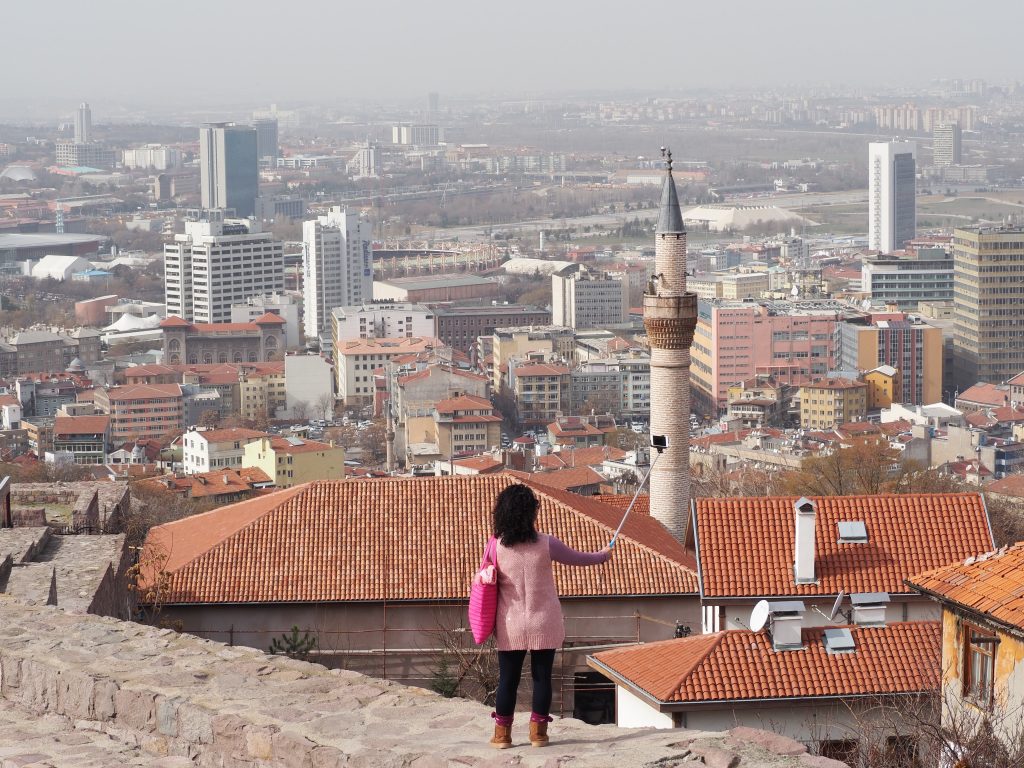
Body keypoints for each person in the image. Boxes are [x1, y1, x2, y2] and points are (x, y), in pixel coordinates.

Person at [486, 483, 612, 749]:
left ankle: (502, 736)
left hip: (510, 624)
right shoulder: (546, 543)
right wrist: (602, 556)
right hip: (544, 620)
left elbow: (485, 581)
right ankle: (538, 735)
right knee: (542, 678)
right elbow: (580, 558)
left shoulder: (495, 547)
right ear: (532, 513)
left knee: (508, 680)